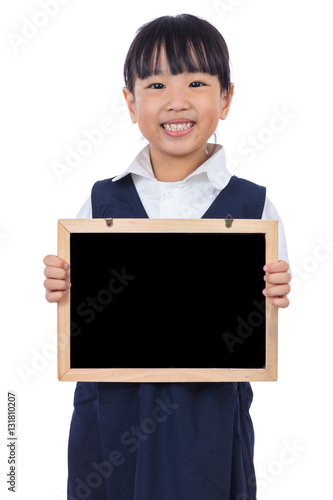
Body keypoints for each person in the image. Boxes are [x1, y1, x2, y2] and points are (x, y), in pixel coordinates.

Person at [43, 14, 291, 500]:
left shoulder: (252, 207)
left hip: (209, 418)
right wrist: (62, 287)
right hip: (112, 412)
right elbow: (79, 304)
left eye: (197, 82)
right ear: (131, 102)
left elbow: (266, 305)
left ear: (226, 98)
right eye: (156, 83)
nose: (177, 100)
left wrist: (277, 291)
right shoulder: (100, 204)